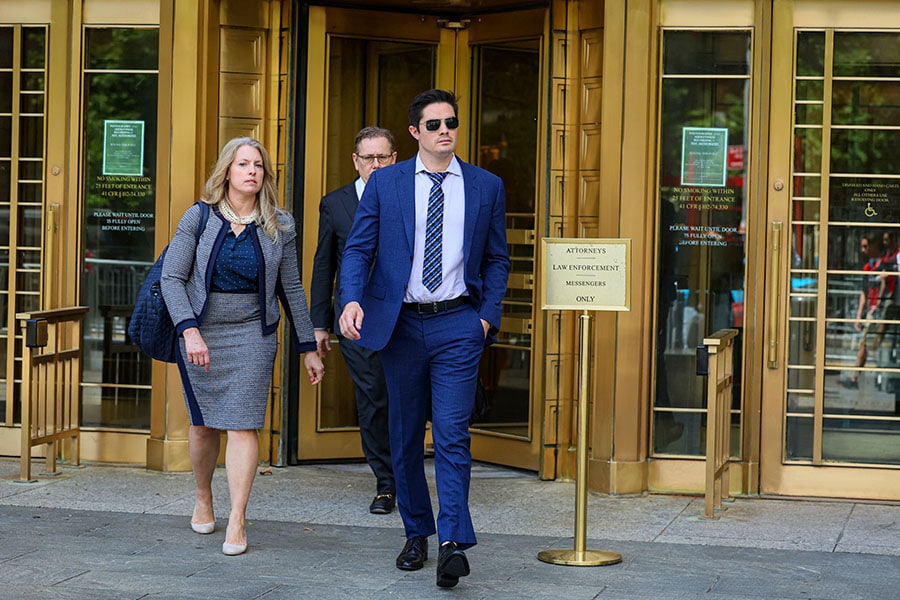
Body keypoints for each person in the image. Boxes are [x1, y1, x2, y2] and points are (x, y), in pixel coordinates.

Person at [339, 89, 510, 588]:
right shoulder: (386, 183)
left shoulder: (486, 185)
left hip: (458, 323)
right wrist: (352, 299)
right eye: (433, 124)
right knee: (406, 435)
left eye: (450, 122)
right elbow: (357, 250)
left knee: (454, 433)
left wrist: (485, 317)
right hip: (401, 326)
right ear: (414, 132)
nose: (444, 131)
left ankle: (454, 540)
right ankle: (417, 532)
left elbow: (498, 258)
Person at [161, 136, 324, 556]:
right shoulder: (198, 217)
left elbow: (290, 287)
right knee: (202, 425)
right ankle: (203, 495)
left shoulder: (279, 224)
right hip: (201, 332)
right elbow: (172, 279)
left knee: (242, 424)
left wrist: (308, 345)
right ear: (227, 171)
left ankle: (237, 516)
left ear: (265, 174)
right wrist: (188, 330)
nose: (251, 171)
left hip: (254, 332)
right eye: (243, 164)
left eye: (258, 165)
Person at [310, 126, 397, 514]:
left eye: (383, 158)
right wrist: (318, 325)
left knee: (403, 398)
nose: (375, 165)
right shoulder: (336, 203)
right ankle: (386, 483)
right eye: (368, 158)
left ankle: (404, 474)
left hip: (405, 318)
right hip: (356, 320)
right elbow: (323, 265)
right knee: (373, 399)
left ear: (394, 159)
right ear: (355, 161)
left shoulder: (408, 195)